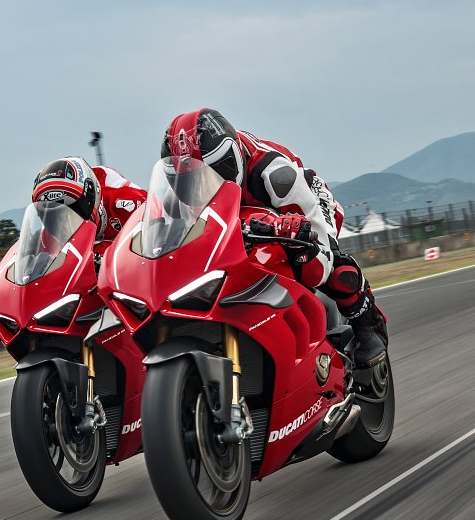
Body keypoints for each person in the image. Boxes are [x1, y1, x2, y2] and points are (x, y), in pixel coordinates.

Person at [160, 109, 388, 367]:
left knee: (321, 264)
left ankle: (369, 325)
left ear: (230, 159)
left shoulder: (275, 175)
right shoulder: (177, 198)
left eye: (211, 175)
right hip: (241, 217)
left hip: (301, 198)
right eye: (190, 181)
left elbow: (317, 240)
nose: (201, 188)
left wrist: (296, 236)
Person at [31, 157, 146, 259]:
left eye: (72, 211)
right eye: (52, 217)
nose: (63, 223)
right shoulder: (49, 237)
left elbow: (159, 229)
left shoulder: (129, 204)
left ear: (90, 199)